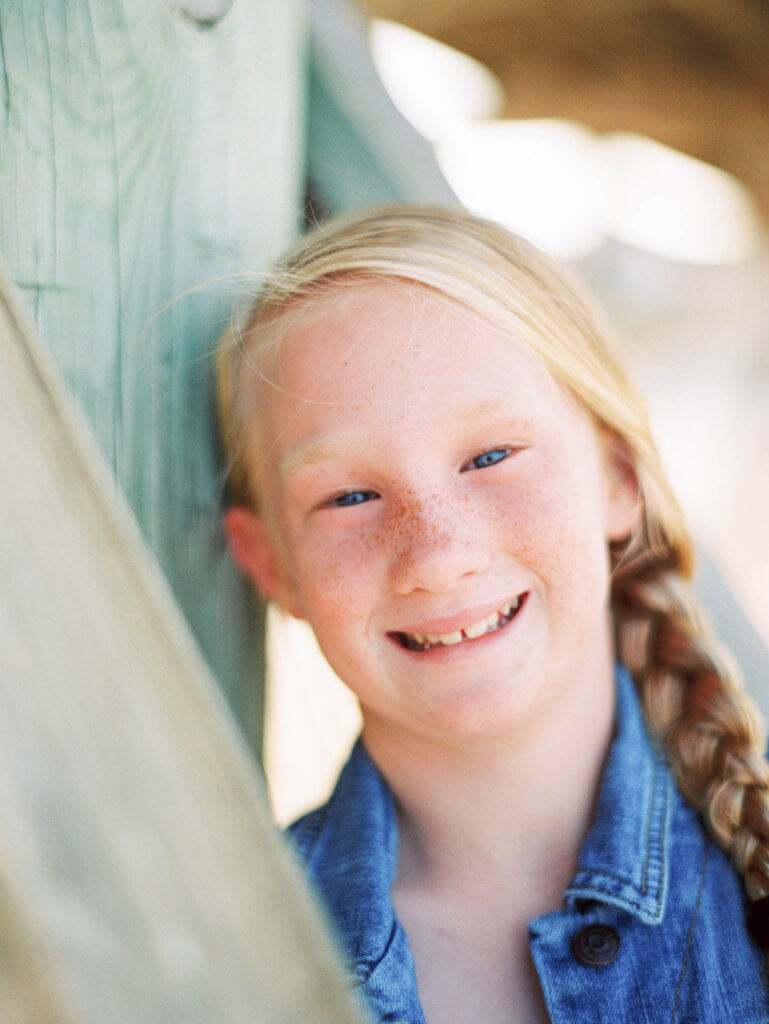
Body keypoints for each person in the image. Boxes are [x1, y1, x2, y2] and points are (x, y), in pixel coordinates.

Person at [217, 205, 769, 1023]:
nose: (437, 553)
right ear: (271, 564)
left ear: (618, 477)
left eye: (491, 456)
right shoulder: (208, 958)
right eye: (349, 496)